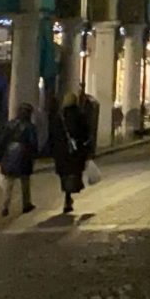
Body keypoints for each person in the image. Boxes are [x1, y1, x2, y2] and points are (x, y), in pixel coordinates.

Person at [54, 87, 97, 216]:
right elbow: (86, 133)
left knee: (65, 174)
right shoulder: (80, 115)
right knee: (73, 173)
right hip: (76, 151)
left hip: (62, 152)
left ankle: (67, 197)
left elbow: (54, 135)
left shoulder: (60, 116)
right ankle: (69, 197)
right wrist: (88, 149)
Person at [0, 104, 40, 217]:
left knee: (9, 182)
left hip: (10, 154)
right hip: (24, 155)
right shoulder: (30, 126)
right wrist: (34, 156)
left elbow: (2, 141)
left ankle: (5, 206)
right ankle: (26, 204)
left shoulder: (10, 124)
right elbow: (33, 143)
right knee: (25, 181)